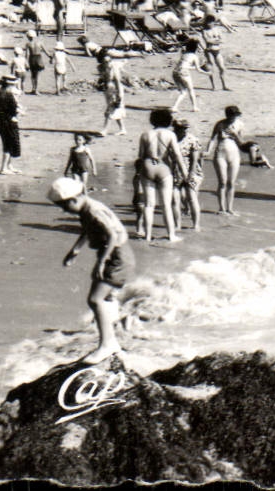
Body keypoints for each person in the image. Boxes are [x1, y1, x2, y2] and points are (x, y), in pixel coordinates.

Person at [50, 177, 134, 362]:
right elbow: (88, 230)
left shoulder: (93, 210)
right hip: (116, 255)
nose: (64, 210)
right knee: (107, 297)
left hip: (117, 257)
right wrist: (75, 250)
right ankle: (121, 324)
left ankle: (108, 345)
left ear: (74, 199)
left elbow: (112, 235)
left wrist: (102, 262)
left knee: (95, 300)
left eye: (64, 206)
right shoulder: (86, 208)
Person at [134, 108, 182, 242]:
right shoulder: (170, 135)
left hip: (148, 167)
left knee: (149, 205)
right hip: (163, 168)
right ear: (168, 120)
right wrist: (183, 172)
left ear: (152, 120)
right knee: (166, 205)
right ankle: (171, 235)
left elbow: (140, 156)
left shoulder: (145, 134)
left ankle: (148, 236)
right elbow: (177, 155)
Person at [207, 105, 245, 216]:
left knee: (231, 183)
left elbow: (241, 143)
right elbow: (213, 138)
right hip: (220, 154)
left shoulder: (240, 124)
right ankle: (221, 208)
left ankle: (230, 208)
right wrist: (208, 151)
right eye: (232, 115)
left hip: (234, 155)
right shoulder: (220, 124)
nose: (234, 118)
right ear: (227, 115)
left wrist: (235, 135)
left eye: (236, 115)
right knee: (222, 182)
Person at [0, 76, 23, 174]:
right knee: (9, 144)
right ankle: (4, 168)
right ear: (9, 85)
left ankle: (9, 166)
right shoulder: (8, 95)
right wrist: (21, 111)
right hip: (7, 121)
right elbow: (13, 109)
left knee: (8, 142)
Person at [170, 38, 201, 113]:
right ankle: (194, 107)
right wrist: (207, 73)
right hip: (184, 73)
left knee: (183, 92)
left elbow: (185, 65)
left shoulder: (184, 55)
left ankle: (174, 107)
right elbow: (198, 69)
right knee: (191, 90)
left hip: (175, 72)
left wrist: (193, 68)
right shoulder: (194, 56)